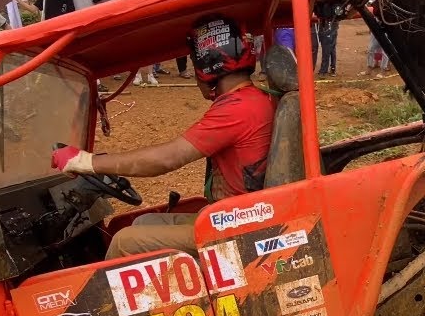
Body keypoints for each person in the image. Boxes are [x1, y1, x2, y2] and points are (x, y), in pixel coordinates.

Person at [51, 15, 273, 258]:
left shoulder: (237, 108)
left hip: (238, 228)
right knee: (143, 222)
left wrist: (85, 161)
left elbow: (168, 158)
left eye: (193, 61)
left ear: (207, 63)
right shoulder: (247, 100)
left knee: (124, 242)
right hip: (235, 216)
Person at [314, 0, 342, 76]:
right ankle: (332, 68)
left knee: (327, 46)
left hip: (330, 22)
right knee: (330, 46)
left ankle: (324, 70)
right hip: (326, 22)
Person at [169, 0, 192, 78]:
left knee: (190, 43)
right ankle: (182, 70)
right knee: (178, 45)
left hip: (185, 18)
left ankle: (192, 69)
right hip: (172, 20)